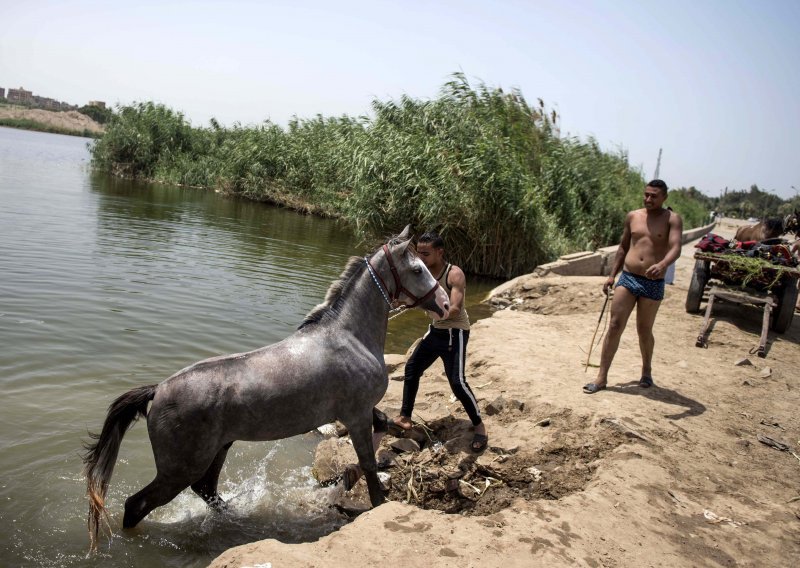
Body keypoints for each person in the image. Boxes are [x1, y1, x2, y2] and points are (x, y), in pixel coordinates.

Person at [583, 179, 683, 394]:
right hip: (628, 278)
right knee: (615, 325)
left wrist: (663, 264)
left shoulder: (672, 219)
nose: (648, 199)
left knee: (644, 330)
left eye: (654, 196)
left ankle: (646, 371)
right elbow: (622, 247)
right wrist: (611, 276)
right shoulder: (633, 216)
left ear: (665, 197)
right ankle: (601, 378)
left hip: (653, 281)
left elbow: (676, 248)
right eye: (646, 194)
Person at [391, 232, 488, 451]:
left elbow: (454, 310)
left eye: (426, 253)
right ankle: (405, 417)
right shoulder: (421, 273)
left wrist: (419, 305)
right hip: (435, 331)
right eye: (419, 253)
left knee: (457, 383)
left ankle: (480, 426)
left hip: (456, 332)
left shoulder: (454, 274)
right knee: (412, 368)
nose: (421, 257)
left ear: (439, 252)